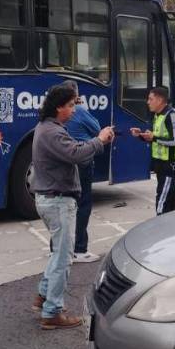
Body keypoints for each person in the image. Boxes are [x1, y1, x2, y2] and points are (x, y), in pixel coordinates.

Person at [30, 83, 114, 330]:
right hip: (58, 201)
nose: (73, 110)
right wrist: (100, 140)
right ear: (58, 107)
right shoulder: (53, 133)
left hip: (50, 198)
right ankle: (52, 312)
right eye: (70, 106)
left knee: (58, 253)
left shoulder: (47, 128)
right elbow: (77, 154)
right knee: (65, 258)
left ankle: (43, 296)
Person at [61, 80, 102, 264]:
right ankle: (79, 249)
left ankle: (59, 249)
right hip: (82, 162)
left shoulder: (58, 114)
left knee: (64, 206)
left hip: (64, 163)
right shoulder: (80, 111)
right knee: (83, 204)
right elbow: (97, 129)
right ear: (76, 96)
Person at [130, 87, 175, 215]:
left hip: (171, 167)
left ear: (160, 100)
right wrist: (141, 135)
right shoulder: (158, 115)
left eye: (151, 99)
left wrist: (154, 137)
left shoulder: (171, 115)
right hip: (162, 167)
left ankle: (161, 233)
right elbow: (157, 139)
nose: (148, 102)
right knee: (169, 208)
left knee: (162, 207)